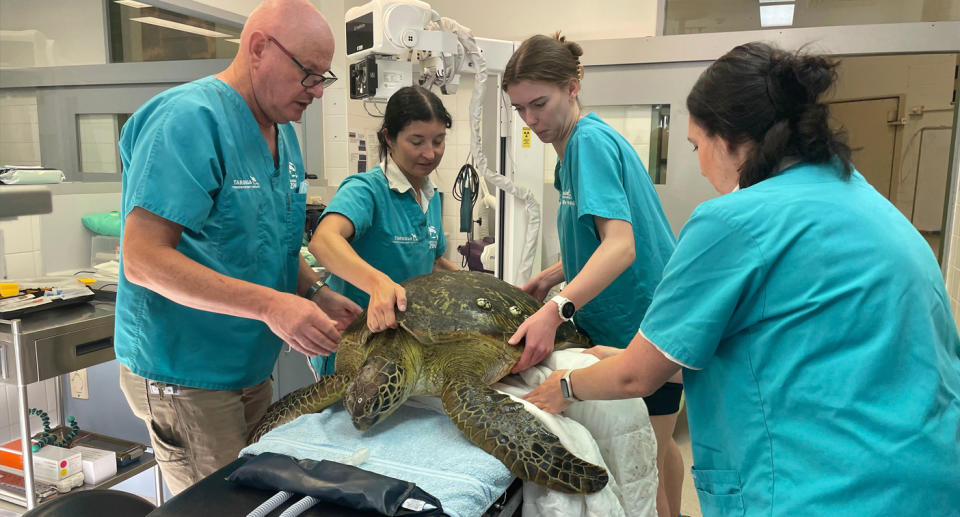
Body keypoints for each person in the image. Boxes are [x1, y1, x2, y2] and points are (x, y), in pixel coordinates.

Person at [524, 42, 960, 516]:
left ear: (731, 140)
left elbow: (634, 377)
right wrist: (640, 356)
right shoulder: (867, 202)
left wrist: (563, 386)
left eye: (695, 145)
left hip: (823, 489)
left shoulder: (735, 221)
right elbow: (796, 340)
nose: (699, 161)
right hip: (927, 478)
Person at [115, 0, 362, 494]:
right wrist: (272, 305)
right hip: (187, 374)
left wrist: (313, 293)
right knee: (224, 506)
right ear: (258, 49)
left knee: (259, 498)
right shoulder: (188, 120)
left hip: (249, 367)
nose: (315, 92)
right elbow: (142, 259)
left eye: (323, 79)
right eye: (308, 75)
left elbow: (267, 242)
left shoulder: (283, 136)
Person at [501, 33, 683, 517]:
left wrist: (555, 309)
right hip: (646, 319)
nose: (531, 120)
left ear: (574, 85)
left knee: (645, 464)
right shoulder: (576, 146)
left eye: (539, 104)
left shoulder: (588, 143)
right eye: (519, 110)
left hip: (639, 327)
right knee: (662, 453)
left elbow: (621, 247)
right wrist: (549, 277)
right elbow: (603, 235)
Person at [307, 85, 459, 376]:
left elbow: (434, 262)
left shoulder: (429, 195)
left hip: (405, 348)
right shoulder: (366, 190)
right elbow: (323, 241)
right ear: (389, 137)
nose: (430, 153)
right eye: (417, 142)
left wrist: (483, 291)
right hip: (356, 350)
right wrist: (377, 284)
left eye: (438, 141)